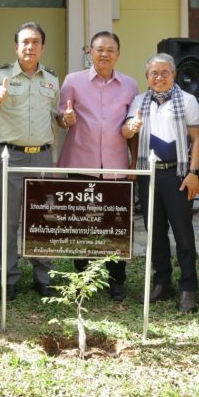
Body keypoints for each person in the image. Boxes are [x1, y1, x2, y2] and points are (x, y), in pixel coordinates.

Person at [0, 22, 61, 300]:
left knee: (42, 218)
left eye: (35, 42)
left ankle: (44, 275)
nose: (30, 47)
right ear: (16, 46)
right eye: (25, 42)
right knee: (10, 219)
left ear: (42, 47)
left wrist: (66, 118)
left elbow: (55, 115)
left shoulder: (51, 79)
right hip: (11, 156)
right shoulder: (0, 74)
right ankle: (9, 277)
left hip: (41, 156)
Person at [57, 31, 139, 301]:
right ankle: (83, 279)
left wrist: (134, 163)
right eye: (99, 49)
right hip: (80, 161)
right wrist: (65, 118)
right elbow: (61, 118)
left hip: (116, 165)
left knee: (116, 224)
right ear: (90, 52)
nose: (104, 54)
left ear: (119, 53)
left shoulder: (130, 85)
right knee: (81, 224)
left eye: (110, 50)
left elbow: (132, 126)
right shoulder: (73, 81)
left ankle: (117, 280)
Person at [122, 53, 199, 313]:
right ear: (147, 77)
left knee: (183, 233)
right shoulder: (138, 101)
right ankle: (162, 281)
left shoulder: (187, 100)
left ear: (174, 75)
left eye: (164, 72)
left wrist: (194, 172)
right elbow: (126, 134)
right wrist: (131, 127)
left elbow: (198, 139)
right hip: (149, 174)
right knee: (154, 231)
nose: (159, 78)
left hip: (178, 175)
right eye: (154, 73)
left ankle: (188, 287)